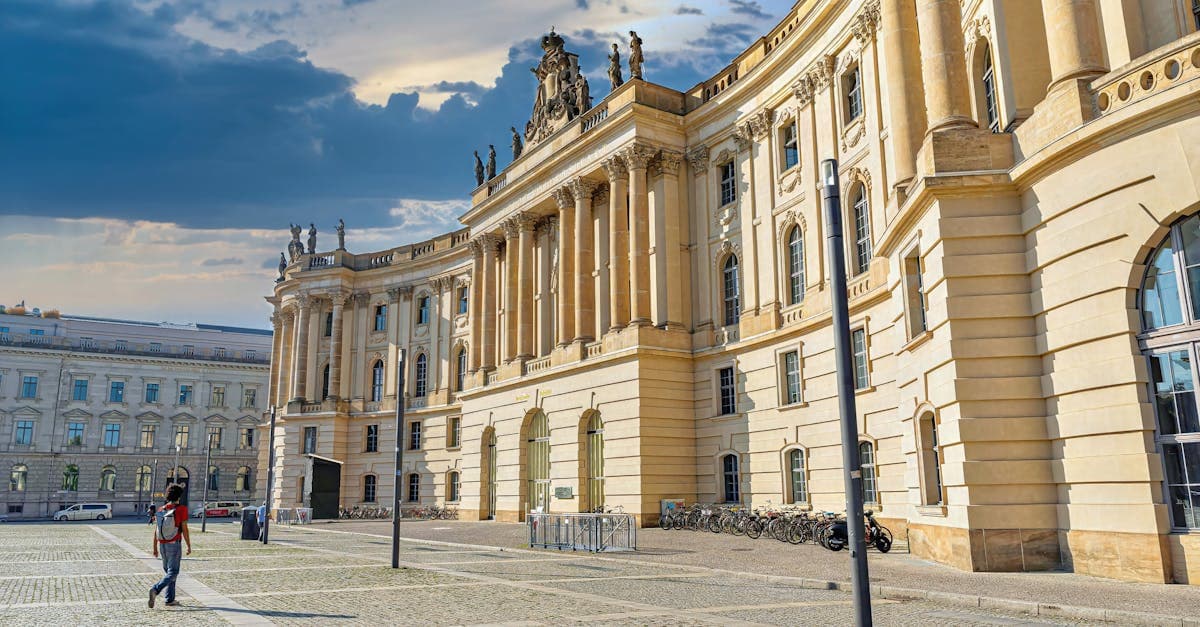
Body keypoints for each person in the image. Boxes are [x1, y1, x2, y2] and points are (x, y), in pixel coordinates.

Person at [149, 484, 191, 608]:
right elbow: (184, 529)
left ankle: (169, 599)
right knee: (173, 572)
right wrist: (189, 545)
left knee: (169, 572)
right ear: (179, 496)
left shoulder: (161, 509)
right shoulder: (181, 509)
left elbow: (156, 530)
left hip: (162, 544)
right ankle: (155, 589)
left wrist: (155, 548)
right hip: (174, 544)